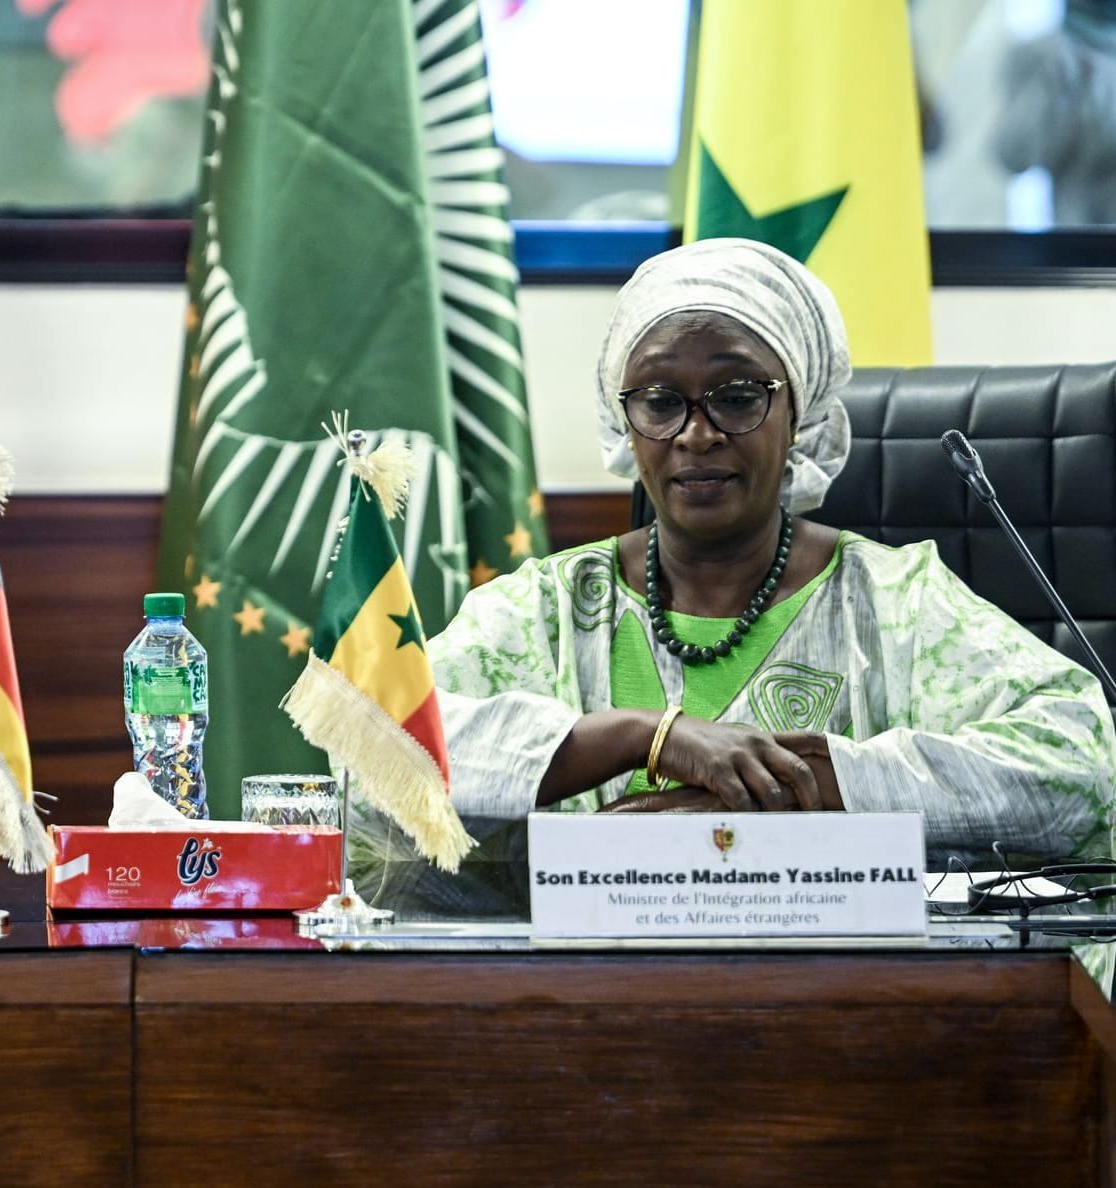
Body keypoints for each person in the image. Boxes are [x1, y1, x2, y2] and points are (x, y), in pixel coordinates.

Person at [426, 238, 1115, 865]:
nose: (696, 434)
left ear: (801, 418)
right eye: (660, 401)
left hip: (851, 994)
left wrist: (799, 787)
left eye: (735, 396)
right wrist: (645, 736)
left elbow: (1082, 759)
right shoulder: (543, 609)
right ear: (623, 423)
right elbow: (380, 752)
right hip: (574, 992)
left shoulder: (898, 601)